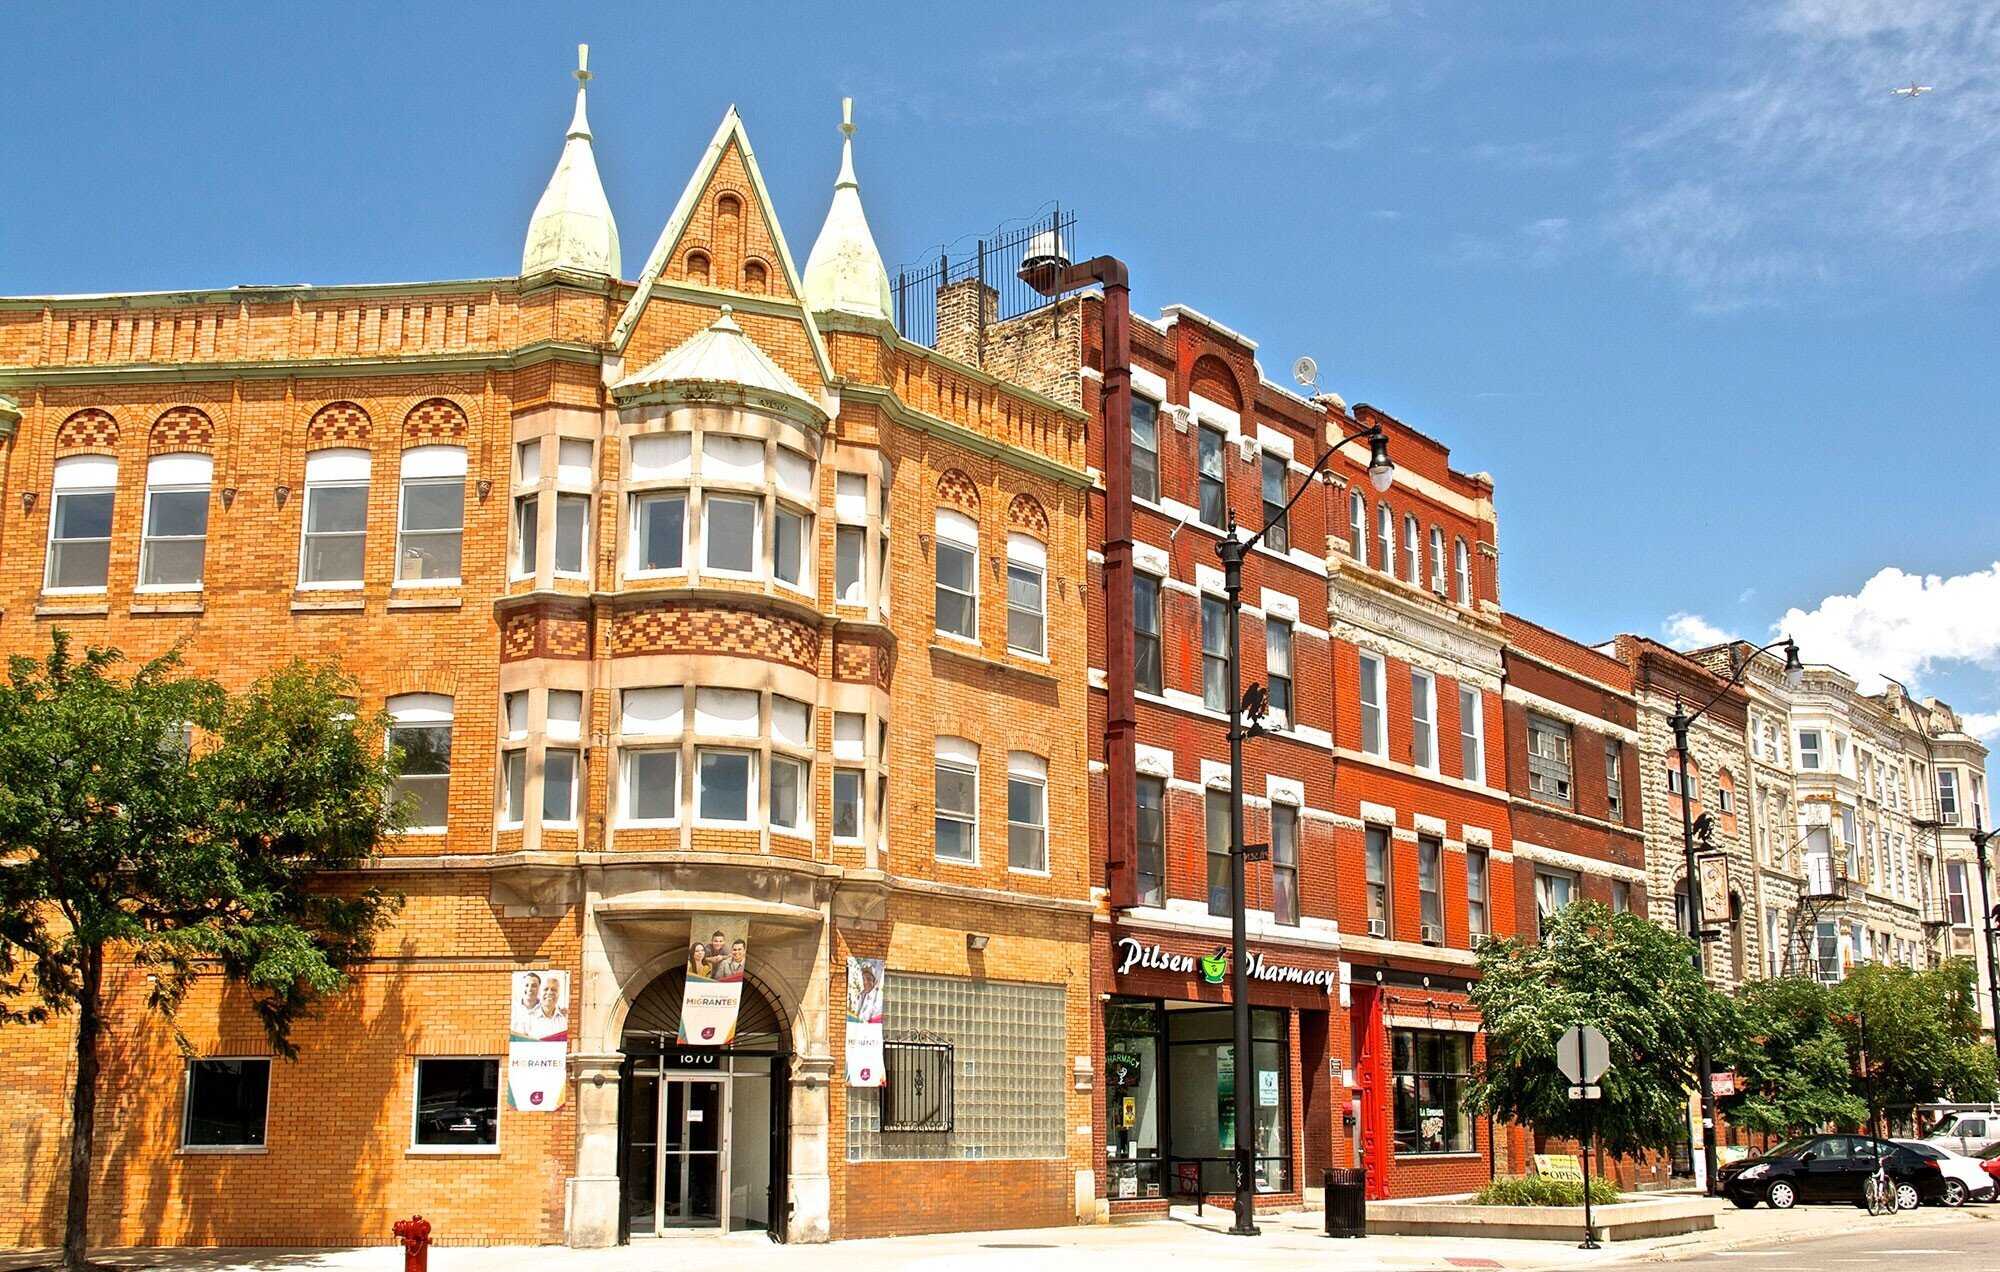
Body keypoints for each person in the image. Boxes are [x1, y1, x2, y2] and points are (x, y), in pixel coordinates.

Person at [511, 972, 542, 1037]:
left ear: (539, 988)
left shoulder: (546, 1009)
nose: (529, 989)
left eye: (534, 986)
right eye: (526, 985)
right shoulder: (512, 1008)